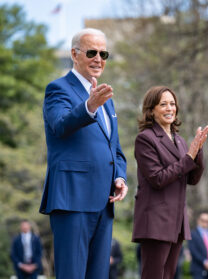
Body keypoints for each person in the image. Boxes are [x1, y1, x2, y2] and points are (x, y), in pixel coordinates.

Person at [40, 28, 128, 279]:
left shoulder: (106, 99)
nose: (99, 59)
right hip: (72, 200)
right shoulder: (57, 89)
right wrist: (89, 106)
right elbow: (61, 125)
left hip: (104, 202)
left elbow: (115, 149)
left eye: (104, 53)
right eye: (92, 52)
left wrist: (120, 177)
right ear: (74, 54)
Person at [132, 86, 208, 279]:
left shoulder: (180, 141)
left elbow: (192, 179)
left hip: (177, 222)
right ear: (151, 110)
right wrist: (188, 157)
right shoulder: (145, 139)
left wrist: (197, 151)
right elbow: (158, 178)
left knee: (168, 275)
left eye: (172, 104)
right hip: (156, 221)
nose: (169, 108)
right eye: (163, 104)